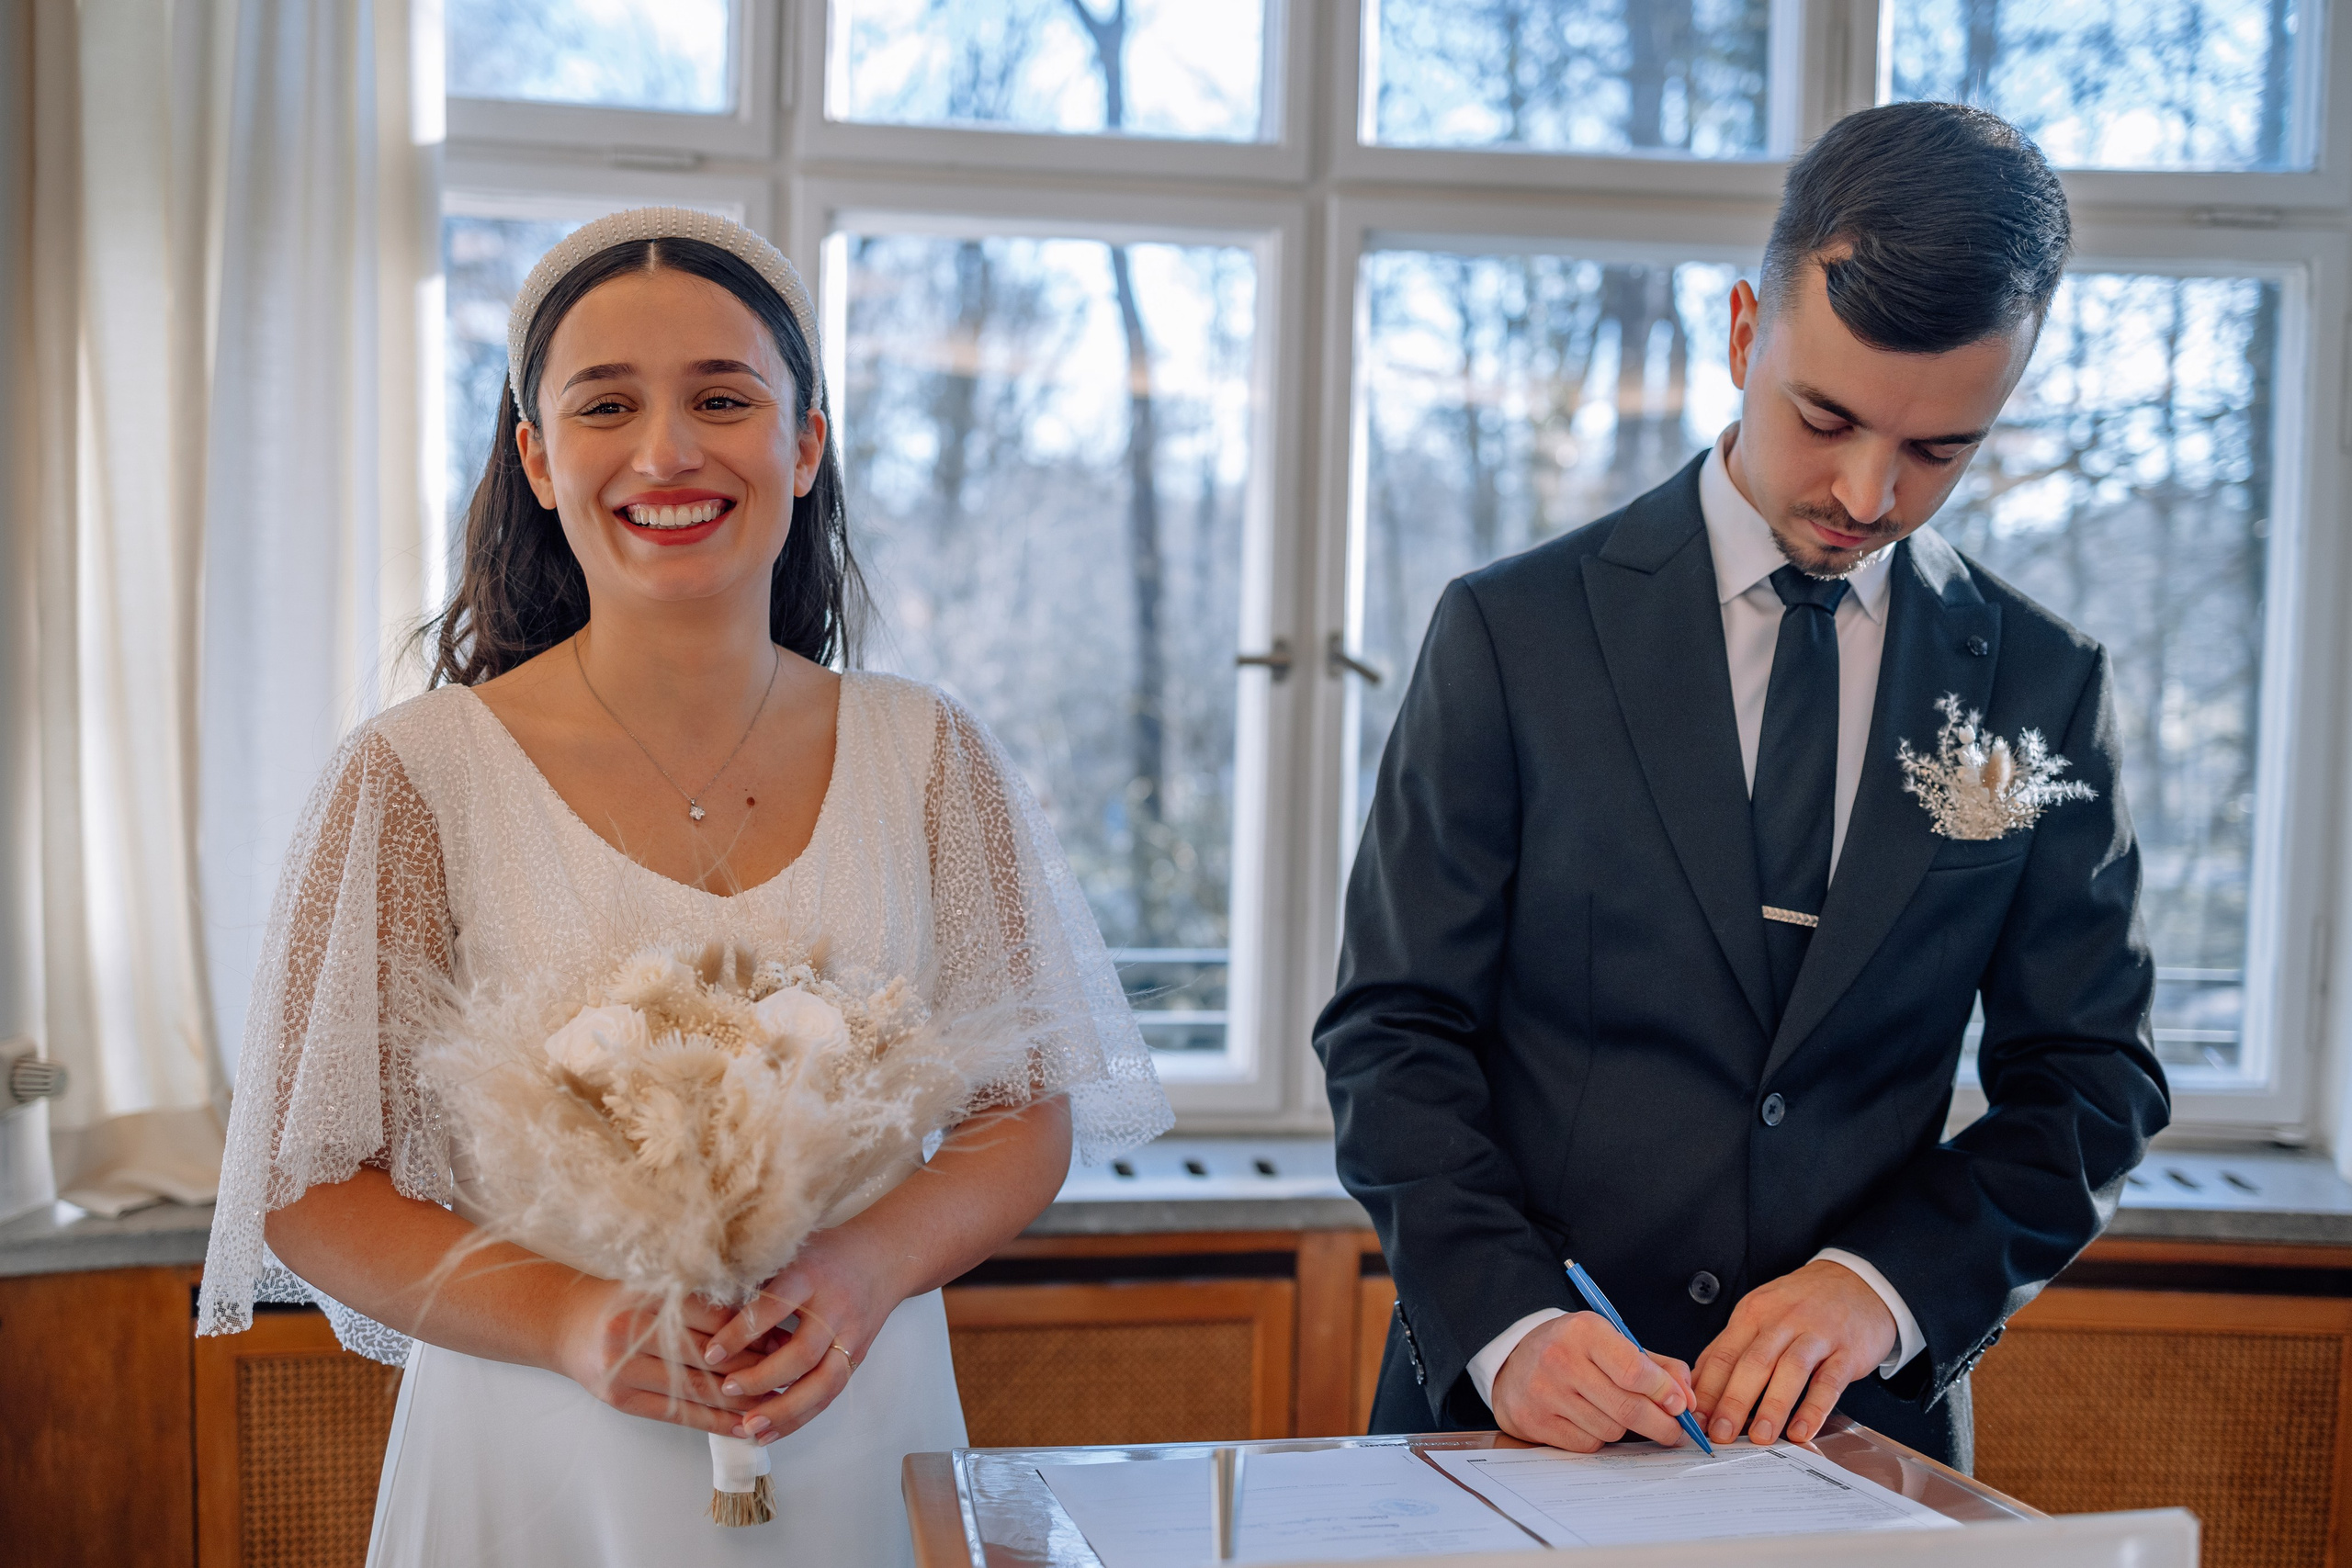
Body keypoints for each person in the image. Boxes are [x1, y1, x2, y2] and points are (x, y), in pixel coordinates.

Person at [197, 208, 1171, 1566]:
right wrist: (565, 1321)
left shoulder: (931, 755)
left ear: (805, 443)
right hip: (534, 1453)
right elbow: (309, 1186)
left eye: (724, 398)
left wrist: (863, 1268)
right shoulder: (413, 777)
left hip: (857, 1421)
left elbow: (1024, 1117)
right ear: (538, 459)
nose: (667, 451)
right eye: (607, 406)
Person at [1316, 103, 2170, 1471]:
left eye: (1939, 450)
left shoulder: (2041, 688)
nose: (1868, 491)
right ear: (1738, 334)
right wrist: (1511, 1325)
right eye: (1824, 415)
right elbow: (1392, 1028)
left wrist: (1886, 1290)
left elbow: (2090, 1082)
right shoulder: (1513, 631)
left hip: (1857, 1444)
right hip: (1514, 1424)